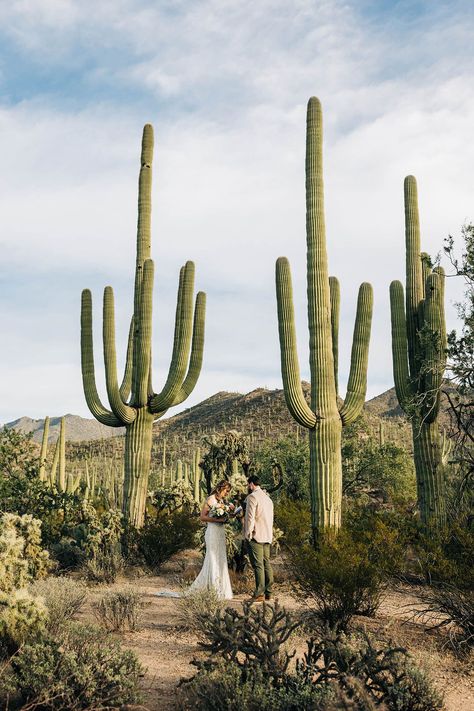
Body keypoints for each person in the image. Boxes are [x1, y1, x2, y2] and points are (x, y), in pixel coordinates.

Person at [189, 479, 233, 600]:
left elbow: (224, 515)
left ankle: (222, 589)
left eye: (228, 491)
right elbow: (202, 517)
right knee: (213, 557)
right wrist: (217, 520)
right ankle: (213, 590)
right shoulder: (210, 499)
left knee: (221, 557)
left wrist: (230, 512)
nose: (227, 493)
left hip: (220, 532)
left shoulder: (222, 501)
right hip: (213, 531)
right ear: (220, 488)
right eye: (226, 491)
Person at [243, 475, 274, 602]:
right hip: (267, 534)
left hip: (256, 535)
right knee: (266, 562)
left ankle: (258, 593)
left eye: (248, 484)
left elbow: (250, 517)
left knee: (258, 564)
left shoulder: (252, 497)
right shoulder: (268, 499)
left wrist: (248, 533)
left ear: (251, 484)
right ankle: (269, 592)